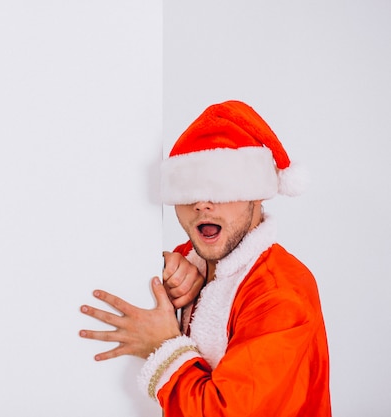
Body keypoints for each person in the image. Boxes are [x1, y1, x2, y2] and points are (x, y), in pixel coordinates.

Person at [79, 100, 331, 416]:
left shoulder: (280, 295)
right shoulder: (188, 260)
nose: (201, 203)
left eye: (219, 187)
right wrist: (162, 266)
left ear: (256, 192)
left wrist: (164, 345)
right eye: (188, 190)